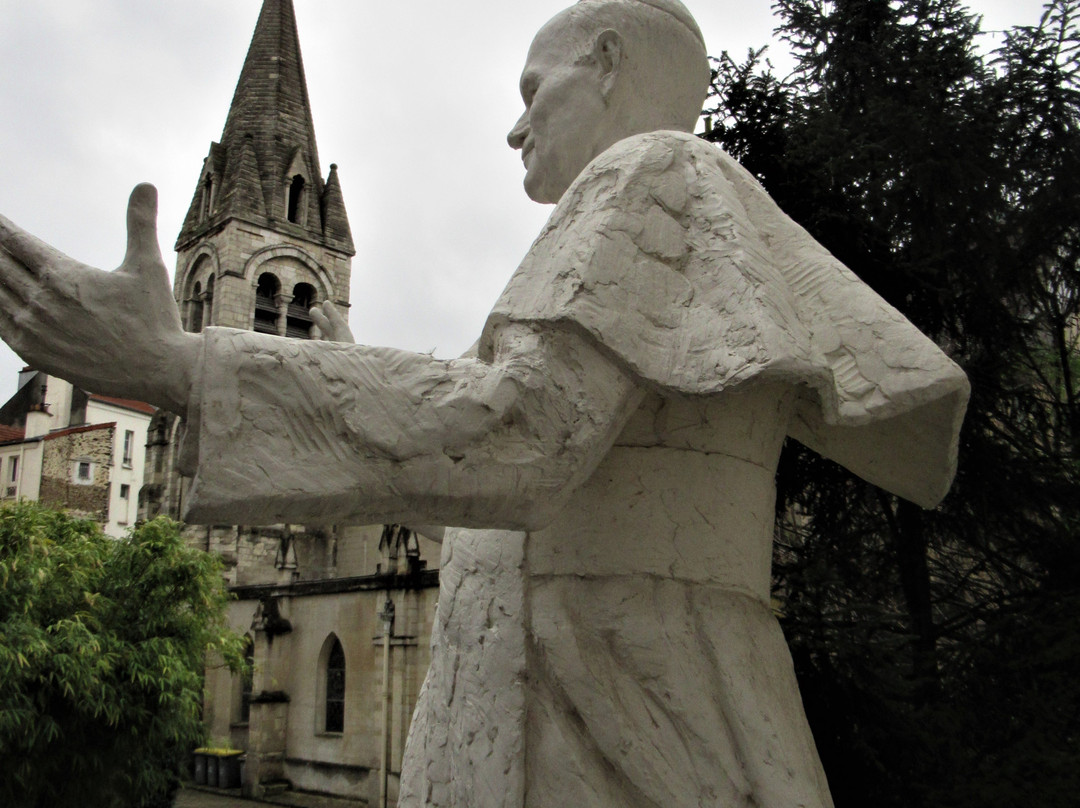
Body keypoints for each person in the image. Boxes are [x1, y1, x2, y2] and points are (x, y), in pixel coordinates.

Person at [0, 1, 968, 806]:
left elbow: (512, 434)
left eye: (531, 90)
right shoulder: (634, 220)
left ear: (609, 60)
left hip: (614, 747)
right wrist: (332, 365)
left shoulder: (654, 175)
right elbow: (483, 497)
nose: (515, 125)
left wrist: (182, 365)